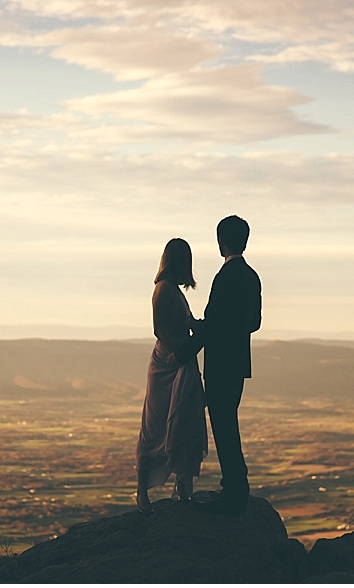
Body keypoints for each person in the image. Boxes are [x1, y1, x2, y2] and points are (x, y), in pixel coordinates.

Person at [172, 215, 262, 516]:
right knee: (227, 424)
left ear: (221, 241)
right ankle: (235, 488)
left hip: (221, 364)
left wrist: (184, 352)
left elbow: (213, 325)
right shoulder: (252, 276)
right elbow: (254, 323)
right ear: (245, 241)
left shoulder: (225, 277)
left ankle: (235, 491)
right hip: (238, 363)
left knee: (224, 427)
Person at [134, 238, 209, 514]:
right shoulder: (163, 290)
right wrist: (180, 352)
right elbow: (160, 331)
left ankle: (184, 486)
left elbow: (185, 322)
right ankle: (142, 490)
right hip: (168, 363)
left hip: (182, 359)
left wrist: (199, 328)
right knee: (155, 426)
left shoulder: (175, 291)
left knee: (185, 421)